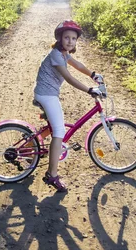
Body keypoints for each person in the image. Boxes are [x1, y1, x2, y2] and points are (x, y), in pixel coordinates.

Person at [34, 20, 103, 192]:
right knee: (59, 132)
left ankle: (31, 147)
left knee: (54, 126)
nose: (70, 41)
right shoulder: (56, 55)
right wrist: (89, 90)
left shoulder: (64, 53)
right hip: (47, 95)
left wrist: (93, 74)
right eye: (66, 37)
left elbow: (77, 65)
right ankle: (52, 175)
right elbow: (70, 78)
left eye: (73, 38)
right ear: (59, 38)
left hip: (48, 93)